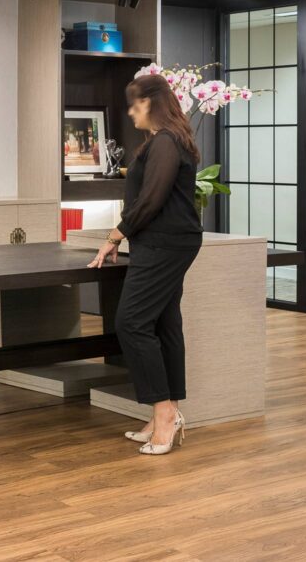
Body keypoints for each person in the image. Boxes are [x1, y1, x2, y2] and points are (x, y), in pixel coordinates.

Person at [87, 74, 203, 456]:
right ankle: (166, 412)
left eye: (134, 104)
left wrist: (115, 235)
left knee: (132, 322)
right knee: (163, 322)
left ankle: (165, 412)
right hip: (164, 242)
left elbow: (152, 199)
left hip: (165, 244)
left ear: (150, 102)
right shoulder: (162, 141)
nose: (130, 112)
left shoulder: (167, 141)